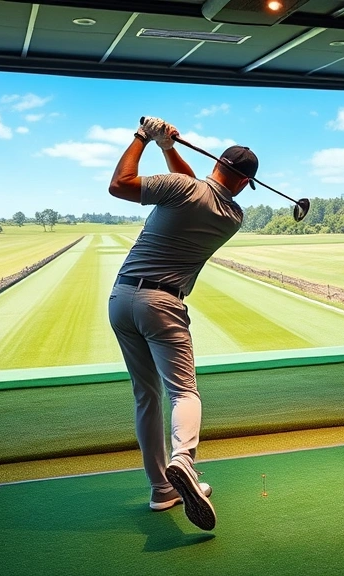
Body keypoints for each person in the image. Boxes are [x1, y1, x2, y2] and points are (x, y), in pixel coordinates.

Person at [107, 116, 258, 532]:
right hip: (164, 305)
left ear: (217, 164)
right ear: (245, 183)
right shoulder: (232, 216)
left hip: (121, 298)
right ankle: (183, 463)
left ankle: (162, 489)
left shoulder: (182, 189)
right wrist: (167, 148)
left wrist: (145, 137)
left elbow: (119, 184)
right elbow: (196, 190)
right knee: (184, 392)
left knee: (146, 396)